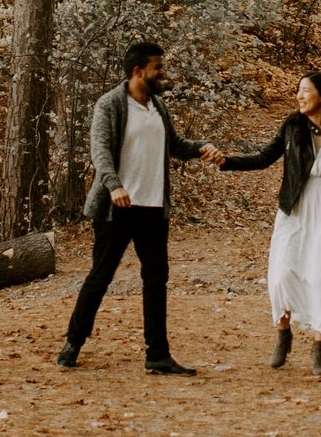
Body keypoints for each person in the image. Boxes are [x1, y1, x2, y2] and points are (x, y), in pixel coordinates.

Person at [56, 41, 223, 375]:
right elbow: (100, 150)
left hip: (153, 206)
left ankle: (157, 355)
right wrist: (113, 184)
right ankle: (74, 341)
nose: (162, 73)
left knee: (156, 279)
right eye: (157, 68)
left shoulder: (157, 106)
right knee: (100, 276)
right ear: (138, 71)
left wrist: (202, 147)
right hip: (117, 207)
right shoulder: (111, 105)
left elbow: (174, 145)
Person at [220, 71, 321, 376]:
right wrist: (227, 161)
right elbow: (264, 158)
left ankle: (319, 346)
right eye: (298, 91)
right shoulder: (292, 126)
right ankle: (283, 332)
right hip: (295, 207)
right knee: (281, 275)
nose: (300, 96)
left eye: (306, 90)